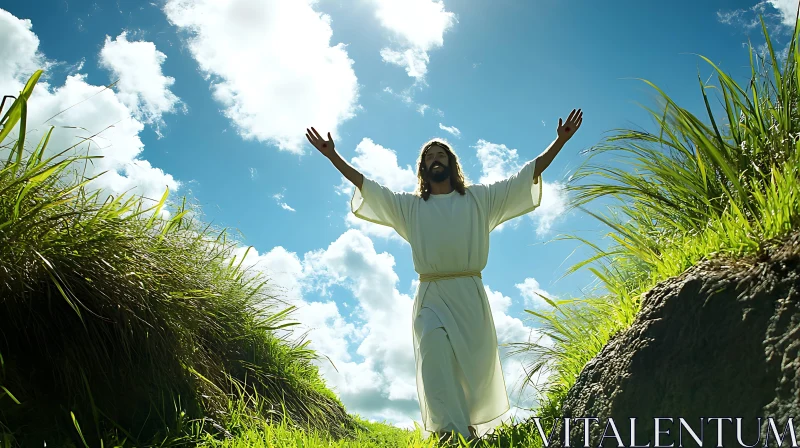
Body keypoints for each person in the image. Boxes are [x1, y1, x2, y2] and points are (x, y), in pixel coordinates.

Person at [304, 109, 583, 443]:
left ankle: (468, 429)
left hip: (469, 292)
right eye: (429, 157)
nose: (435, 160)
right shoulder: (410, 207)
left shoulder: (480, 199)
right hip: (431, 294)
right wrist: (333, 155)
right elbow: (367, 186)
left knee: (472, 369)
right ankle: (448, 433)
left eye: (441, 155)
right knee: (434, 358)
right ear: (423, 168)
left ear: (452, 163)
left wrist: (560, 141)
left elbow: (524, 177)